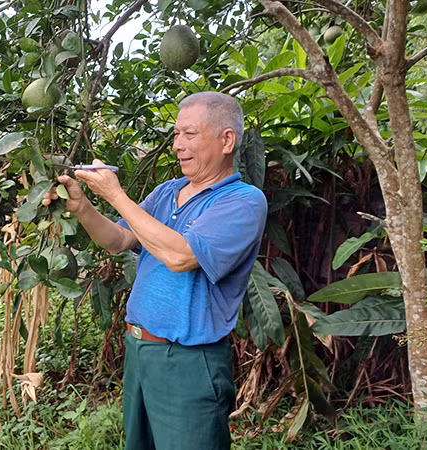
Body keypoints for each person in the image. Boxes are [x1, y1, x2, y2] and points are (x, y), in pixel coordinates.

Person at [42, 91, 267, 449]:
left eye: (189, 134)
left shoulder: (242, 201)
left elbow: (180, 256)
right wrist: (83, 206)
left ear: (227, 140)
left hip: (189, 362)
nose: (177, 145)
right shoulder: (166, 192)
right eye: (176, 134)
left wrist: (116, 195)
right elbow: (118, 239)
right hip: (140, 352)